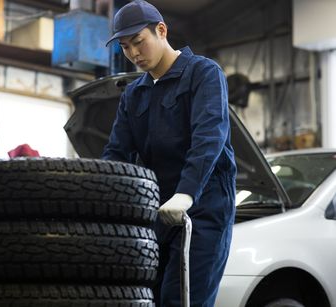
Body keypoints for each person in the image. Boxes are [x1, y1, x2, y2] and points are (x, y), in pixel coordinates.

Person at [102, 1, 237, 306]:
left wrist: (187, 193)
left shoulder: (204, 74)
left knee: (181, 298)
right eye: (125, 47)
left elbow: (209, 137)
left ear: (161, 30)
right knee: (146, 298)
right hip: (157, 212)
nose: (134, 53)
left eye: (139, 42)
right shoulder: (133, 94)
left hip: (203, 208)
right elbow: (116, 154)